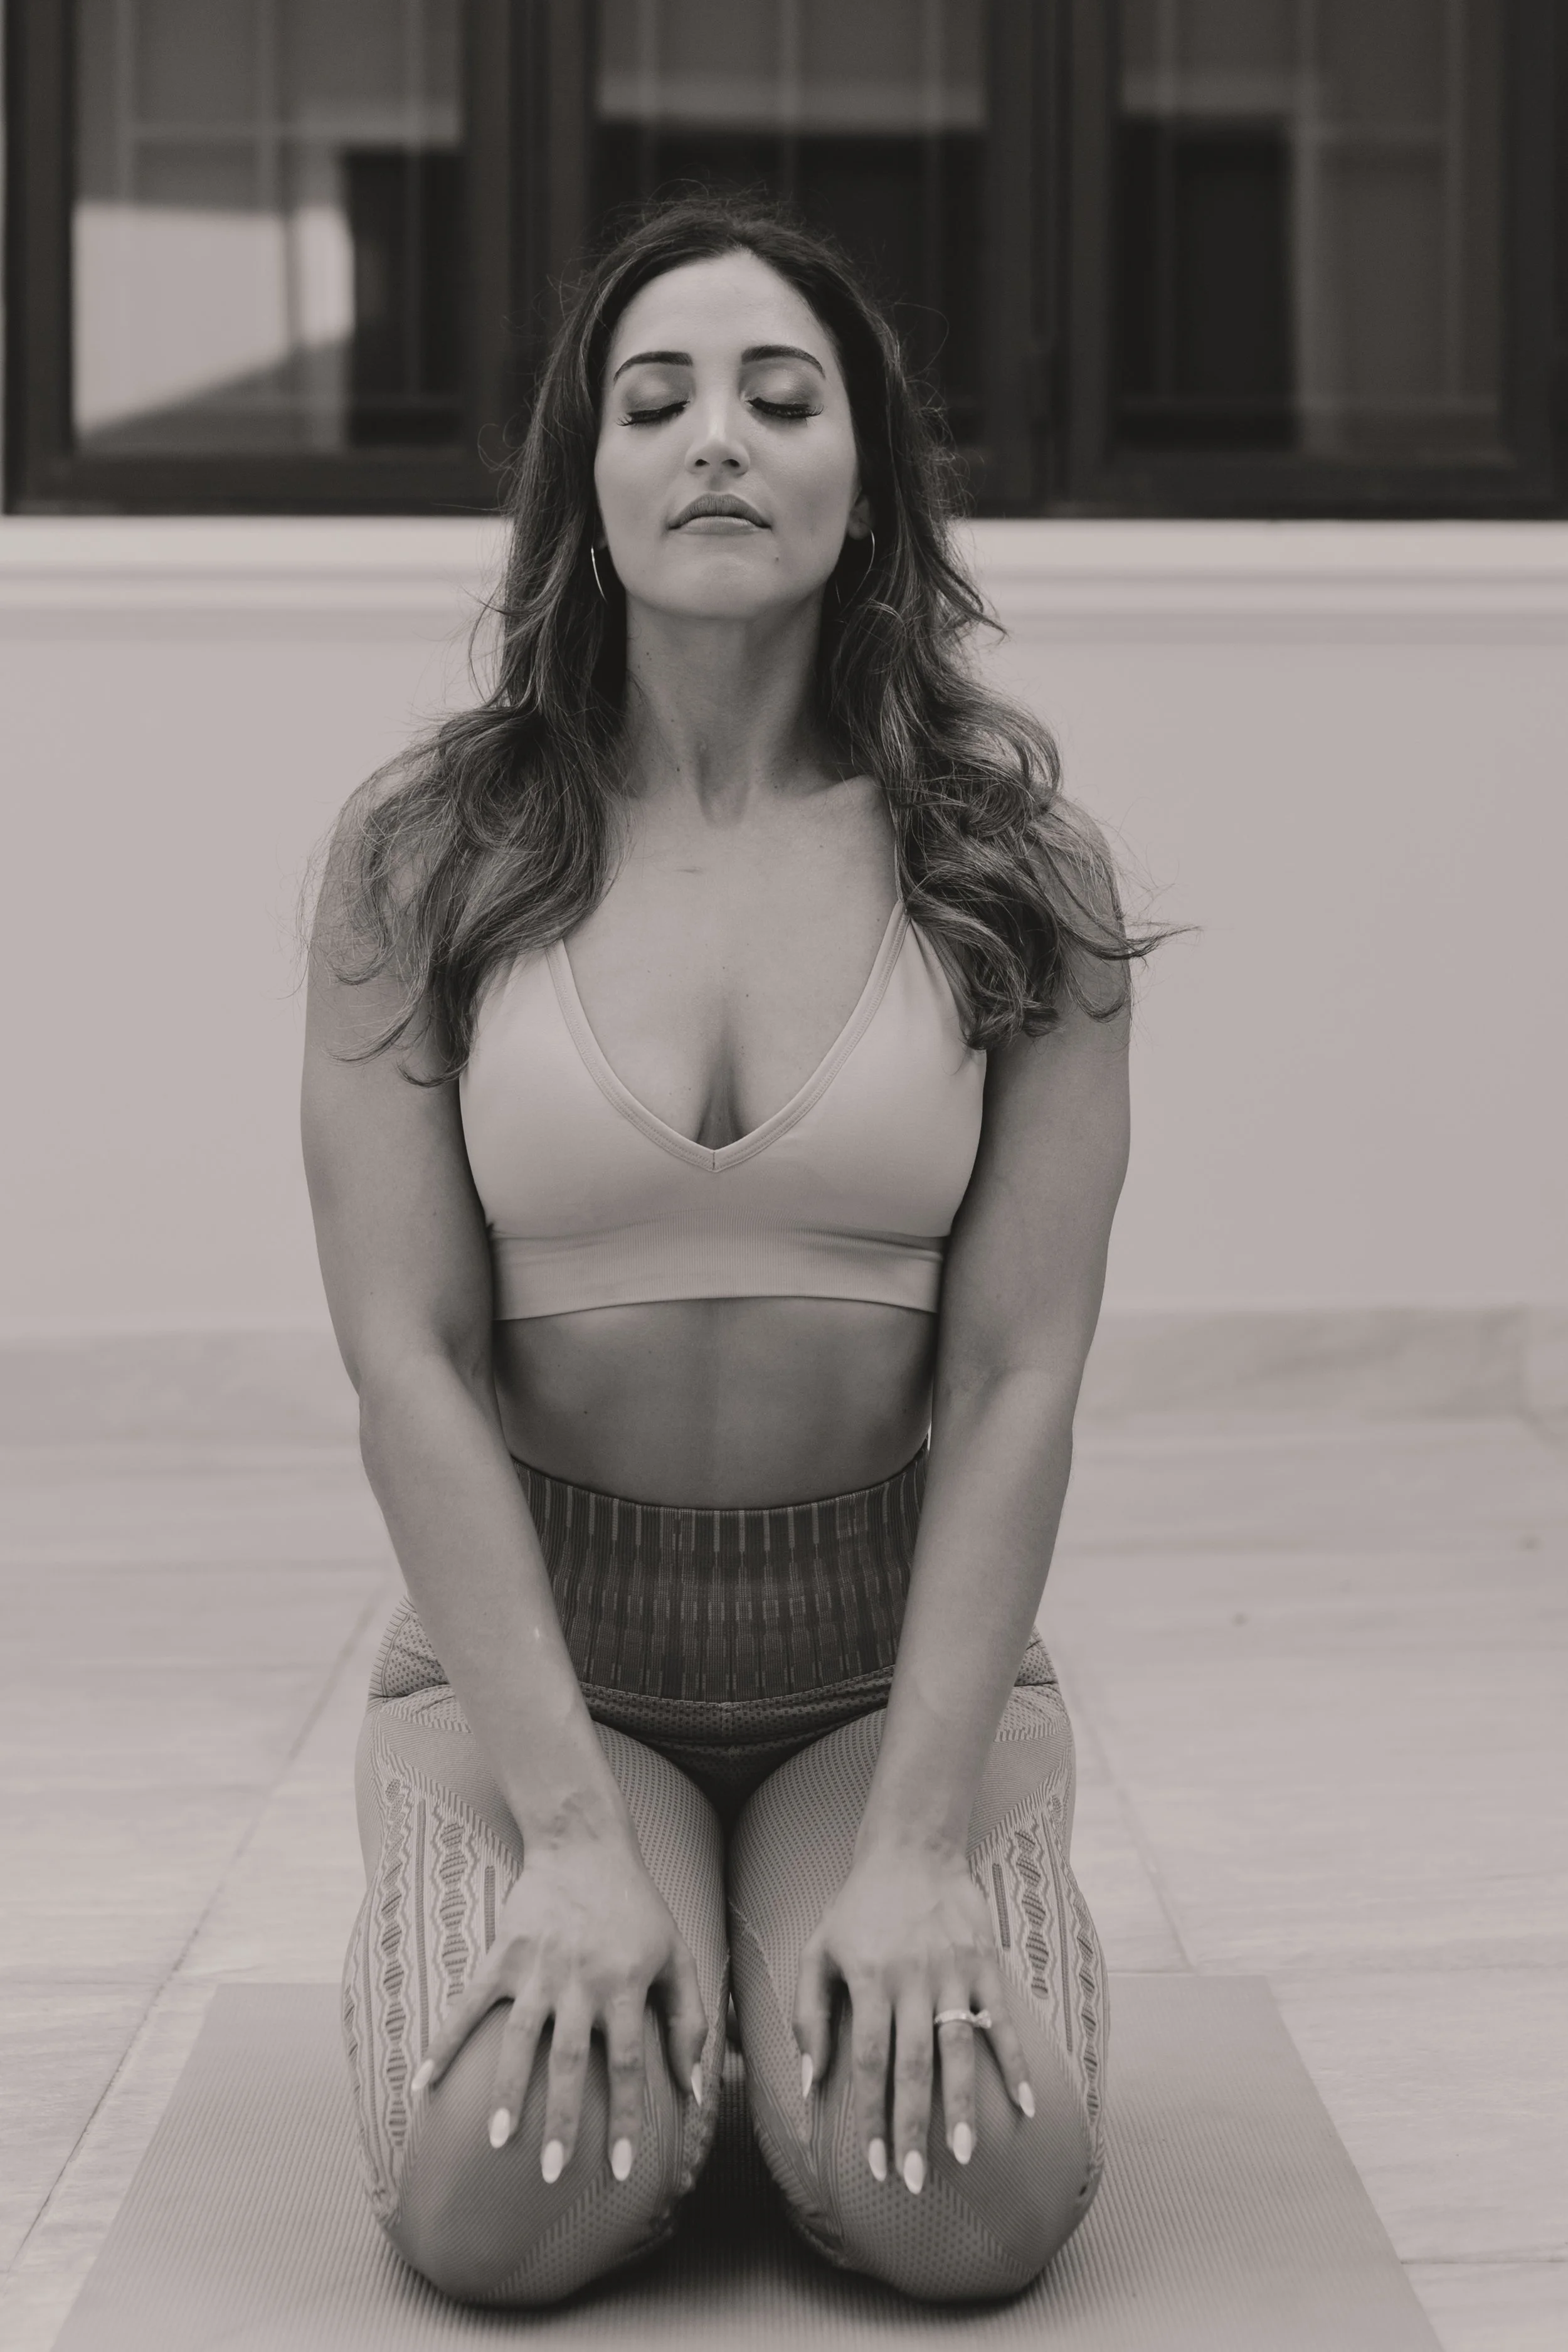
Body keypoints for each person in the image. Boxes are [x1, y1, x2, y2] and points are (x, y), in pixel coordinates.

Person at [303, 194, 1149, 2310]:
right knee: (504, 2209)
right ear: (582, 479)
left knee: (966, 2204)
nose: (715, 441)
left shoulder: (1007, 859)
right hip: (539, 1667)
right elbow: (405, 1358)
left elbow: (1019, 1373)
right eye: (653, 398)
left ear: (863, 484)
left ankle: (788, 2021)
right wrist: (575, 1835)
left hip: (885, 1670)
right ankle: (689, 2004)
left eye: (783, 400)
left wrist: (927, 1838)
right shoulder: (428, 849)